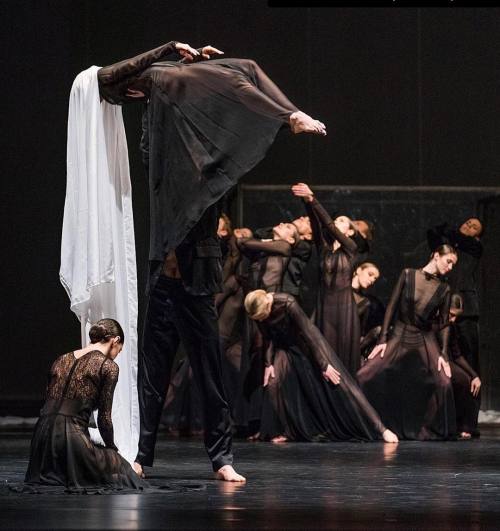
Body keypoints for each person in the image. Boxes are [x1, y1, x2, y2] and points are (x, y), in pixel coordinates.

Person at [98, 41, 327, 482]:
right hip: (163, 272)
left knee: (207, 370)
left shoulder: (204, 158)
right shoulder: (158, 119)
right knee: (154, 371)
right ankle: (142, 454)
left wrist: (282, 118)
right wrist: (166, 49)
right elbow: (108, 78)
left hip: (197, 275)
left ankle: (221, 458)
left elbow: (232, 110)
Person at [244, 290, 398, 444]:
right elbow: (267, 337)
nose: (261, 320)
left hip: (308, 345)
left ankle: (381, 429)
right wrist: (268, 364)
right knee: (272, 382)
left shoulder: (286, 302)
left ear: (268, 304)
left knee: (341, 384)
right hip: (285, 347)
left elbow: (308, 333)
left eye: (262, 317)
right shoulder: (257, 308)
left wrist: (325, 365)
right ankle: (284, 431)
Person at [25, 320, 143, 491]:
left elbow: (50, 404)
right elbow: (104, 419)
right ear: (115, 341)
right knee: (123, 470)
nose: (117, 354)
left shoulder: (61, 359)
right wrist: (114, 453)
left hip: (40, 440)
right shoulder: (108, 366)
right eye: (120, 350)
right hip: (71, 439)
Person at [357, 245, 458, 440]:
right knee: (365, 375)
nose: (451, 267)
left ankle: (427, 431)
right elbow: (392, 307)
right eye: (449, 261)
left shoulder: (444, 289)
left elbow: (445, 324)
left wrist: (444, 354)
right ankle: (370, 425)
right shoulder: (408, 274)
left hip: (424, 337)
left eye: (453, 264)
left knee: (443, 381)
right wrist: (383, 338)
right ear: (436, 256)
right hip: (401, 331)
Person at [292, 183, 361, 375]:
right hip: (325, 307)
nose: (336, 223)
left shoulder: (351, 248)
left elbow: (328, 225)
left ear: (349, 231)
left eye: (341, 221)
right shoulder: (324, 249)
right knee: (326, 357)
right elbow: (317, 224)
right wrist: (307, 201)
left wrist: (313, 198)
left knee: (345, 360)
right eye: (336, 220)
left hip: (346, 309)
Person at [427, 217, 484, 377]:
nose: (469, 226)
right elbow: (432, 232)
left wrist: (450, 231)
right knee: (443, 349)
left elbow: (462, 239)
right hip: (444, 302)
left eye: (474, 227)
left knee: (468, 351)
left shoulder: (475, 246)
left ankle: (473, 391)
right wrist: (447, 230)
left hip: (466, 309)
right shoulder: (449, 246)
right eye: (468, 222)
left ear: (477, 236)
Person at [445, 294, 481, 439]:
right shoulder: (433, 324)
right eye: (451, 315)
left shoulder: (452, 327)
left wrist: (474, 375)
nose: (453, 320)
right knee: (459, 379)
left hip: (448, 361)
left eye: (456, 317)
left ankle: (465, 426)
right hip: (432, 361)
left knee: (468, 380)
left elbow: (457, 354)